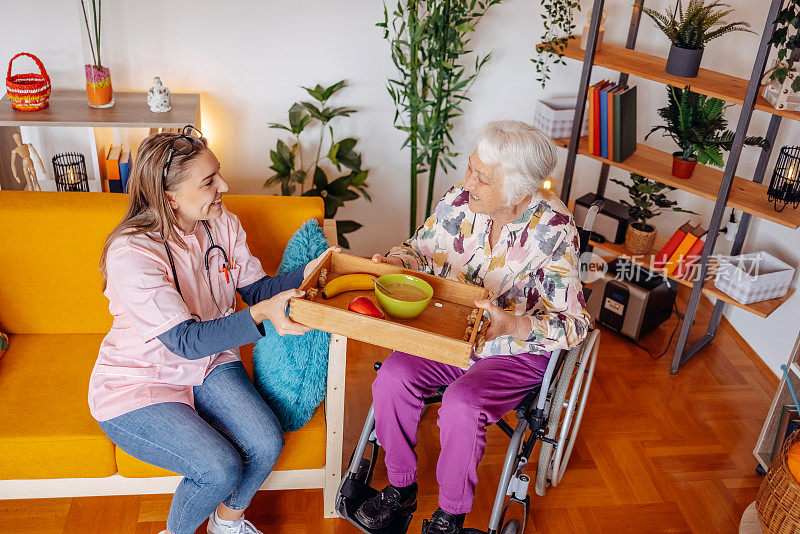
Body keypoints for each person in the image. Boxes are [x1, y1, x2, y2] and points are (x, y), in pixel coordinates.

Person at [88, 126, 334, 534]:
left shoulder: (221, 223)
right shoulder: (132, 253)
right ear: (169, 197)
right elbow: (184, 340)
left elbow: (255, 289)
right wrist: (261, 316)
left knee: (266, 442)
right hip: (142, 380)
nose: (224, 184)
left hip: (210, 362)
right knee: (219, 468)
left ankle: (227, 522)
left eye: (217, 173)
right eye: (209, 181)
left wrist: (306, 274)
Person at [356, 120, 591, 534]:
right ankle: (400, 486)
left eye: (481, 177)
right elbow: (419, 251)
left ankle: (451, 512)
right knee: (391, 378)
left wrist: (511, 324)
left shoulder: (556, 231)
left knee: (462, 405)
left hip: (514, 352)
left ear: (519, 191)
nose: (467, 182)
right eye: (471, 168)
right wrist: (396, 263)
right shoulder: (459, 201)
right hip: (452, 332)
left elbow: (573, 326)